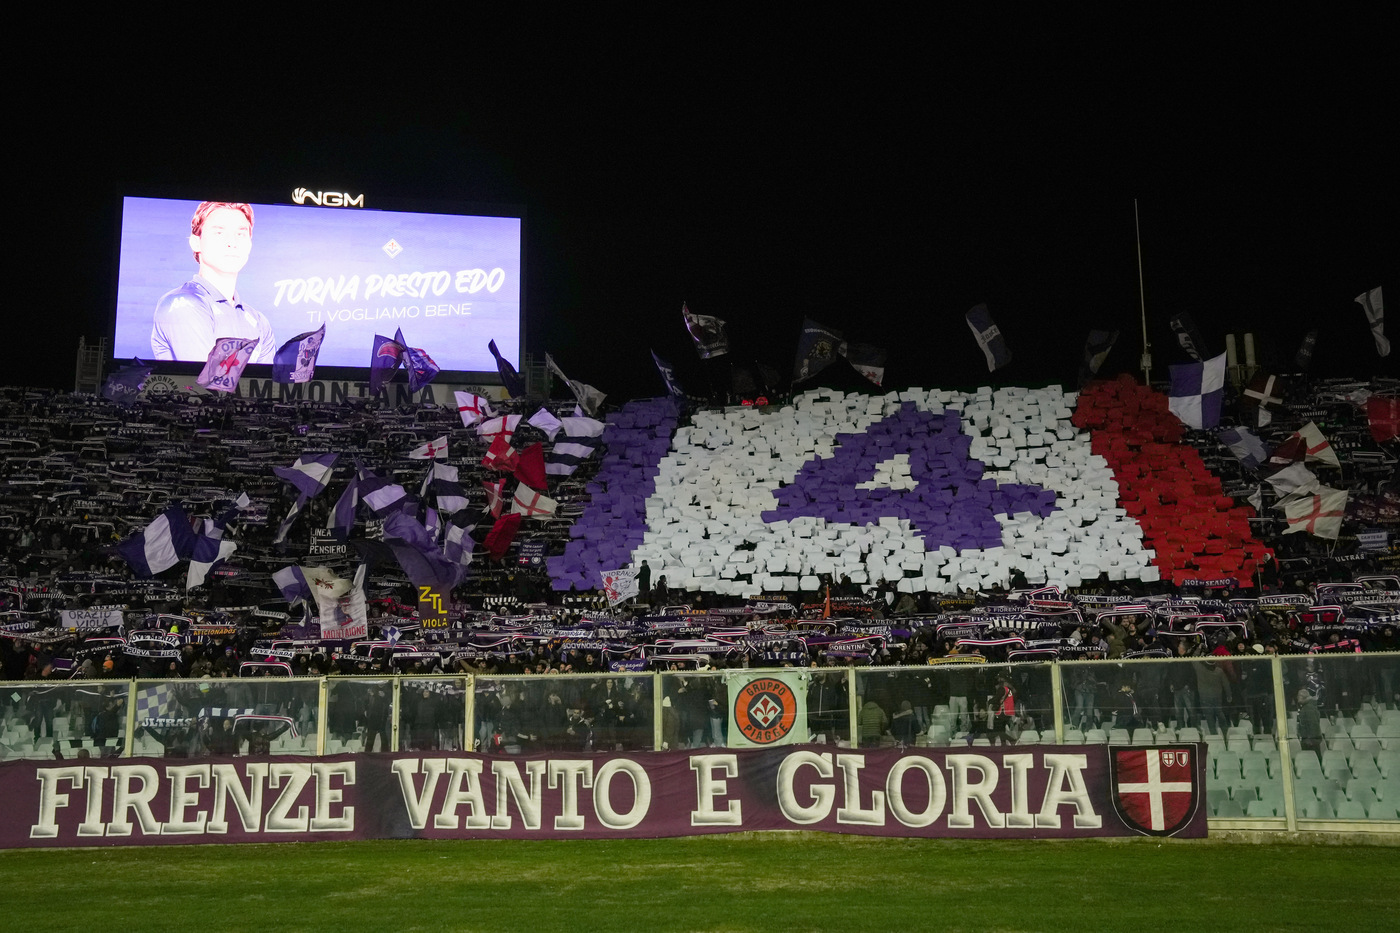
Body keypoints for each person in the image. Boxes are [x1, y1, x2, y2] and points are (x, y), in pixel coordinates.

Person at [150, 201, 275, 363]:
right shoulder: (181, 304)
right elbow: (207, 382)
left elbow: (264, 385)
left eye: (240, 234)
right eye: (219, 233)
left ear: (250, 244)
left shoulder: (258, 320)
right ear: (196, 242)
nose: (232, 243)